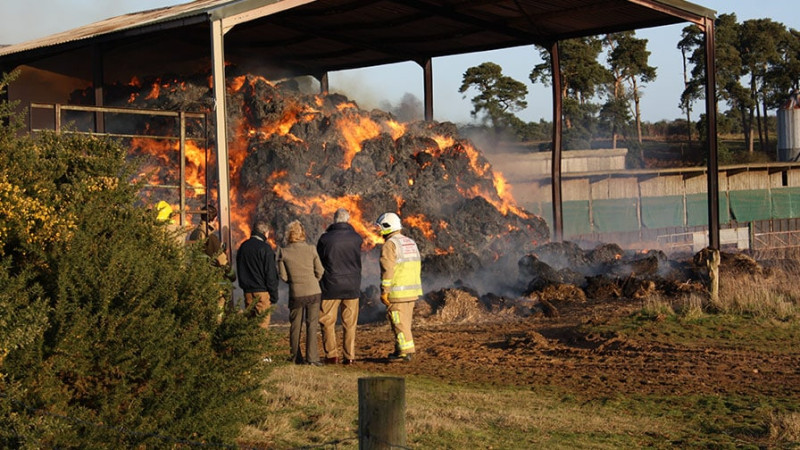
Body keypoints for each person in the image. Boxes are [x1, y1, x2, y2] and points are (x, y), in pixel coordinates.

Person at [317, 208, 363, 365]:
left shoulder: (325, 239)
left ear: (334, 220)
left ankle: (331, 355)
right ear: (348, 220)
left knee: (327, 321)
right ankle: (349, 356)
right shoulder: (357, 238)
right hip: (352, 286)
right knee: (349, 323)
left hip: (331, 286)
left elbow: (319, 261)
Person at [376, 212, 422, 362]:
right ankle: (399, 350)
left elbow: (387, 269)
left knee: (399, 323)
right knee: (405, 323)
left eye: (380, 228)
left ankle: (405, 352)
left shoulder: (390, 245)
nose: (379, 231)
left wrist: (385, 291)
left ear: (387, 226)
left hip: (397, 293)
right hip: (412, 292)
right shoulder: (410, 242)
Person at [277, 220, 325, 366]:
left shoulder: (283, 252)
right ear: (303, 233)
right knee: (312, 325)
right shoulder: (311, 249)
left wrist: (295, 282)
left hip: (296, 293)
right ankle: (313, 358)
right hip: (313, 291)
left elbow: (283, 276)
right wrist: (312, 281)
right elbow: (320, 271)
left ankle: (296, 357)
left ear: (289, 235)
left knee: (295, 326)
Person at [236, 220, 279, 361]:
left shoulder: (243, 247)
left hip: (248, 291)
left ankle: (249, 354)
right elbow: (271, 275)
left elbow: (239, 269)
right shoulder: (265, 249)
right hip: (262, 292)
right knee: (262, 324)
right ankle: (261, 356)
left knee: (250, 324)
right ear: (265, 232)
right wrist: (273, 295)